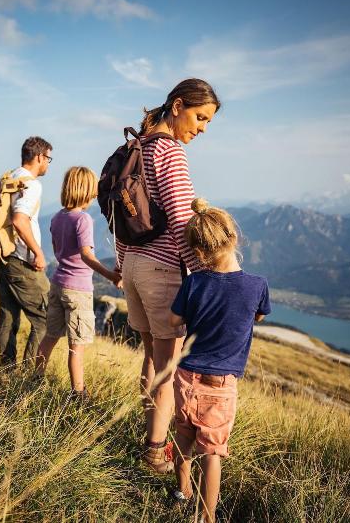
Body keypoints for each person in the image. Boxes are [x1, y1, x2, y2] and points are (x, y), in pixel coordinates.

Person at [114, 78, 220, 472]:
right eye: (200, 117)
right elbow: (180, 219)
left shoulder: (138, 145)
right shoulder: (170, 151)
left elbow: (120, 215)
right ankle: (155, 452)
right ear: (177, 106)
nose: (202, 128)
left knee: (151, 359)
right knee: (168, 367)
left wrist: (124, 263)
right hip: (161, 270)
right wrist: (203, 276)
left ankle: (151, 436)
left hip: (134, 266)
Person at [168, 198, 271, 523]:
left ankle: (182, 493)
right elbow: (258, 316)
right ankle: (207, 516)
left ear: (199, 252)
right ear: (234, 237)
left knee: (183, 437)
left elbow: (174, 321)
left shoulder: (194, 282)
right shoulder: (257, 286)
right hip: (220, 384)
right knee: (211, 452)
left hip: (185, 376)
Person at [34, 166, 121, 399]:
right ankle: (78, 394)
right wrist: (111, 275)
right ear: (87, 191)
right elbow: (86, 254)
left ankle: (36, 379)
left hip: (58, 283)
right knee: (76, 347)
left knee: (50, 336)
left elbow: (57, 250)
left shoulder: (57, 217)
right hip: (78, 290)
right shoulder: (83, 219)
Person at [0, 136, 52, 368]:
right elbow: (19, 220)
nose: (48, 164)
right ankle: (29, 375)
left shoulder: (8, 178)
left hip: (2, 257)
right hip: (21, 261)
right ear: (39, 157)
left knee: (8, 316)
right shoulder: (31, 184)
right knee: (46, 318)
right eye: (48, 159)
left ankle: (7, 370)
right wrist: (38, 252)